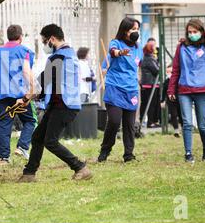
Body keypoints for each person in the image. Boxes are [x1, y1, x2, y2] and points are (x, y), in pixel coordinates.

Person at [17, 24, 92, 182]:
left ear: (52, 39)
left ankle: (80, 167)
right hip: (60, 104)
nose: (45, 46)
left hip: (64, 106)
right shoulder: (69, 54)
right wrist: (35, 96)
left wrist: (25, 98)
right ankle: (29, 174)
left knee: (50, 141)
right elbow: (53, 83)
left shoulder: (58, 57)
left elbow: (44, 80)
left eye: (44, 42)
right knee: (37, 137)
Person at [167, 19, 205, 163]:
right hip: (184, 89)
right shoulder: (181, 47)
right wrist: (171, 89)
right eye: (189, 32)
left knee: (202, 125)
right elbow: (176, 69)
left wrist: (203, 31)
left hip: (202, 90)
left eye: (195, 32)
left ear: (201, 32)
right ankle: (188, 153)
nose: (192, 34)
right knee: (187, 123)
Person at [97, 17, 143, 163]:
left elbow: (136, 67)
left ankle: (128, 154)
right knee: (114, 121)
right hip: (115, 87)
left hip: (131, 89)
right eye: (132, 29)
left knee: (130, 124)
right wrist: (119, 53)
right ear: (125, 31)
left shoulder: (138, 48)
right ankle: (105, 149)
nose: (135, 32)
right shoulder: (115, 43)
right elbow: (113, 52)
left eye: (137, 29)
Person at [0, 25, 37, 164]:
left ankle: (4, 158)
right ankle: (22, 146)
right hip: (20, 96)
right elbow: (26, 71)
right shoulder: (25, 51)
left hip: (3, 95)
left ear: (8, 36)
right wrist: (32, 88)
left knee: (4, 125)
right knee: (30, 121)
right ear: (21, 37)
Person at [140, 37, 160, 128]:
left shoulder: (146, 58)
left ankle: (143, 120)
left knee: (145, 103)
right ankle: (150, 122)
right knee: (151, 104)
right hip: (150, 85)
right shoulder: (150, 59)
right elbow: (157, 71)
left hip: (147, 84)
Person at [160, 64, 182, 137]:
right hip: (171, 100)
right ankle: (176, 130)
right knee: (173, 115)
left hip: (180, 99)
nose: (169, 74)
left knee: (181, 115)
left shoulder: (179, 80)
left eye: (170, 72)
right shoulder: (166, 81)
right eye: (167, 72)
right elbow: (163, 92)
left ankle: (183, 128)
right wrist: (162, 101)